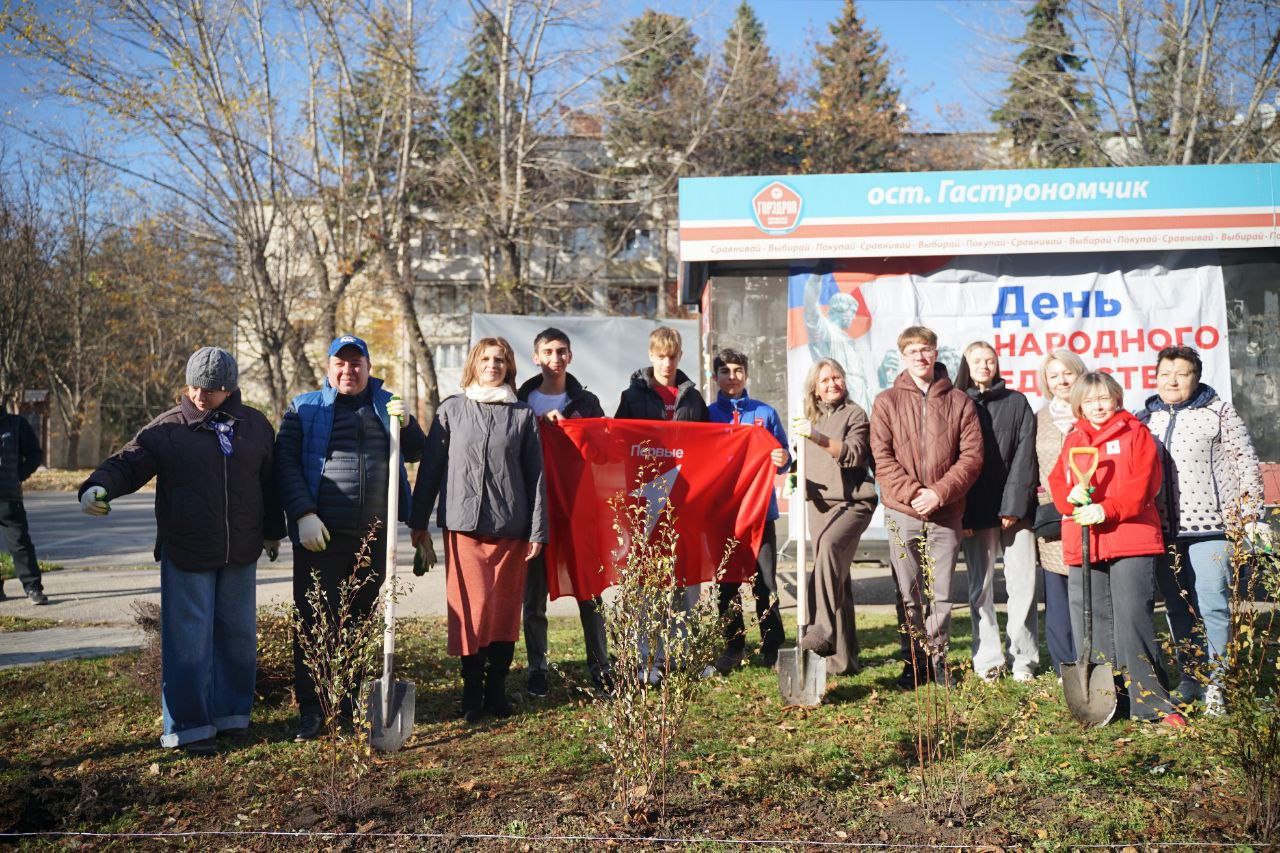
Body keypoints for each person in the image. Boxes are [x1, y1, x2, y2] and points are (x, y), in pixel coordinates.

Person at [79, 347, 285, 754]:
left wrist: (272, 532)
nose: (199, 397)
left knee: (238, 636)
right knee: (188, 639)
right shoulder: (168, 429)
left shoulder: (255, 426)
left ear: (230, 389)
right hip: (187, 550)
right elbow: (129, 461)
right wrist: (97, 486)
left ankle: (231, 716)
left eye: (209, 390)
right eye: (193, 387)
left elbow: (270, 483)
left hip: (241, 550)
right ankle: (189, 727)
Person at [275, 334, 425, 741]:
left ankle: (344, 705)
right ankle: (313, 710)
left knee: (357, 625)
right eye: (340, 363)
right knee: (314, 624)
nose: (348, 371)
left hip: (371, 538)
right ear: (329, 367)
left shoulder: (384, 403)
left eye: (356, 363)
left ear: (368, 367)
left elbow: (416, 452)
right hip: (319, 537)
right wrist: (304, 515)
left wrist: (408, 423)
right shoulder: (304, 409)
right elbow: (285, 466)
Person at [411, 337, 547, 723]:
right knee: (472, 612)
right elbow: (431, 470)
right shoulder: (452, 410)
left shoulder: (522, 415)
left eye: (500, 359)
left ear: (509, 367)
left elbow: (536, 478)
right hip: (463, 529)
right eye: (486, 359)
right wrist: (418, 522)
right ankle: (471, 693)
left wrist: (538, 531)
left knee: (503, 612)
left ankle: (496, 690)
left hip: (511, 530)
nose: (493, 365)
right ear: (474, 363)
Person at [1049, 371, 1185, 727]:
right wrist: (1069, 498)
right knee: (1090, 620)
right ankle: (1107, 704)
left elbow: (1144, 485)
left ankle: (1151, 704)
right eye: (1089, 400)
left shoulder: (1135, 434)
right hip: (1085, 543)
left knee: (1133, 619)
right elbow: (1058, 482)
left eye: (1103, 398)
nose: (1097, 406)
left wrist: (1107, 509)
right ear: (1079, 403)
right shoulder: (1073, 437)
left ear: (1116, 398)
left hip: (1131, 537)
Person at [1137, 345, 1266, 715]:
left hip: (1212, 528)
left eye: (1182, 373)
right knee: (1178, 607)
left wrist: (1252, 513)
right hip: (1164, 531)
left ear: (1196, 376)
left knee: (1213, 604)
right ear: (1156, 376)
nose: (1172, 380)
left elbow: (1245, 463)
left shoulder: (1218, 412)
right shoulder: (1145, 418)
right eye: (1165, 373)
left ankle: (1219, 684)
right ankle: (1191, 678)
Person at [870, 326, 983, 689]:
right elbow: (882, 458)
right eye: (913, 351)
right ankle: (912, 662)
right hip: (902, 511)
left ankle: (939, 660)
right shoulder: (886, 401)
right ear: (902, 357)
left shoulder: (960, 402)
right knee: (909, 590)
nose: (920, 356)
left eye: (926, 350)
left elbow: (971, 457)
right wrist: (915, 493)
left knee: (942, 592)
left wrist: (938, 493)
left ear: (936, 353)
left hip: (946, 511)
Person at [515, 327, 610, 695]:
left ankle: (601, 666)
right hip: (534, 509)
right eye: (548, 352)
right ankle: (537, 667)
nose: (555, 358)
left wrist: (573, 431)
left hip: (577, 509)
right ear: (536, 357)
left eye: (562, 352)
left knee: (590, 592)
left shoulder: (586, 402)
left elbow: (603, 452)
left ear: (570, 356)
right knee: (533, 596)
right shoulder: (519, 400)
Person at [614, 325, 708, 682]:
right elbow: (619, 443)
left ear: (680, 356)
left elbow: (709, 447)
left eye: (673, 356)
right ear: (651, 354)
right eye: (661, 356)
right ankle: (645, 657)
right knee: (647, 579)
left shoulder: (692, 398)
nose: (667, 362)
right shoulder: (633, 396)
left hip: (686, 496)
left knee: (685, 576)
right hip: (647, 496)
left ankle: (680, 655)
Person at [954, 342, 1039, 682]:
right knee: (981, 588)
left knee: (1023, 586)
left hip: (1015, 512)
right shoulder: (957, 402)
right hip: (975, 512)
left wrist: (1014, 508)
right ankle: (988, 659)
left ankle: (1023, 660)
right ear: (967, 365)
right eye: (977, 360)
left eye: (990, 359)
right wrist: (964, 513)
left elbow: (1024, 457)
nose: (984, 365)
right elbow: (954, 460)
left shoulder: (1017, 403)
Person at [707, 347, 790, 671]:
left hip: (760, 512)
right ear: (715, 377)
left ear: (747, 375)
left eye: (738, 370)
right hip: (723, 514)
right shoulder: (709, 413)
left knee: (765, 582)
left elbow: (784, 457)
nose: (732, 377)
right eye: (725, 371)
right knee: (727, 584)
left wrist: (783, 459)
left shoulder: (765, 413)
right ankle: (733, 647)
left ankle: (772, 647)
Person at [793, 357, 877, 676]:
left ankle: (821, 633)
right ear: (815, 387)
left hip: (852, 503)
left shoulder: (854, 414)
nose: (832, 384)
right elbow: (803, 460)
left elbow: (855, 454)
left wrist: (815, 436)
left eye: (837, 378)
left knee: (828, 550)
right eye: (825, 380)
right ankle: (843, 662)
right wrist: (790, 466)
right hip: (819, 505)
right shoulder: (807, 417)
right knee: (835, 576)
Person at [1034, 349, 1084, 677]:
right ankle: (1064, 668)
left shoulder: (1095, 410)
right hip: (1054, 518)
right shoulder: (1039, 418)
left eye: (1068, 373)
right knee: (1058, 595)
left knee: (1090, 593)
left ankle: (1094, 662)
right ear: (1046, 382)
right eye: (1054, 375)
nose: (1062, 380)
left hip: (1093, 516)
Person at [0, 407, 47, 605]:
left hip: (9, 498)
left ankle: (33, 588)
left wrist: (18, 476)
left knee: (20, 545)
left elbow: (35, 455)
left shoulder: (16, 424)